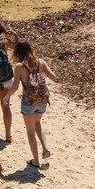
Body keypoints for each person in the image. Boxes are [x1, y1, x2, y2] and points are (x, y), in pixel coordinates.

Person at [15, 37, 55, 166]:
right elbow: (54, 77)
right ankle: (45, 148)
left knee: (30, 132)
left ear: (18, 53)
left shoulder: (19, 67)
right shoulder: (41, 62)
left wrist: (6, 98)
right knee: (38, 123)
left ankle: (36, 162)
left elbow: (15, 86)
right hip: (42, 100)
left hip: (28, 101)